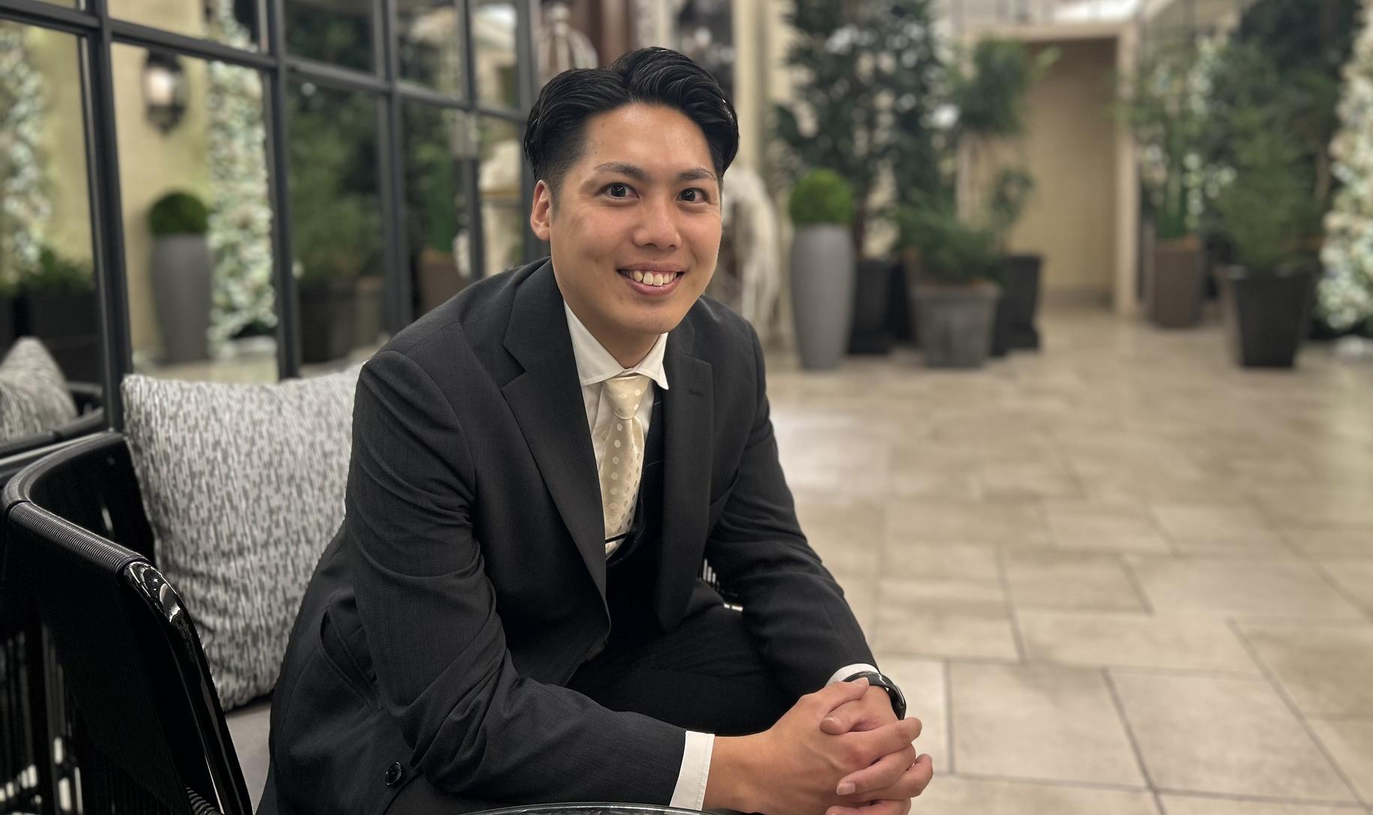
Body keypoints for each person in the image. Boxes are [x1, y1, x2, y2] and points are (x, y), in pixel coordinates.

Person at [260, 47, 932, 815]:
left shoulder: (727, 351)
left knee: (832, 731)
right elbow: (457, 717)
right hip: (414, 717)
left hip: (605, 650)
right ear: (544, 209)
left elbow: (773, 554)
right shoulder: (421, 385)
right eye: (619, 191)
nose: (661, 231)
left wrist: (860, 698)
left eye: (692, 195)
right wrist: (746, 771)